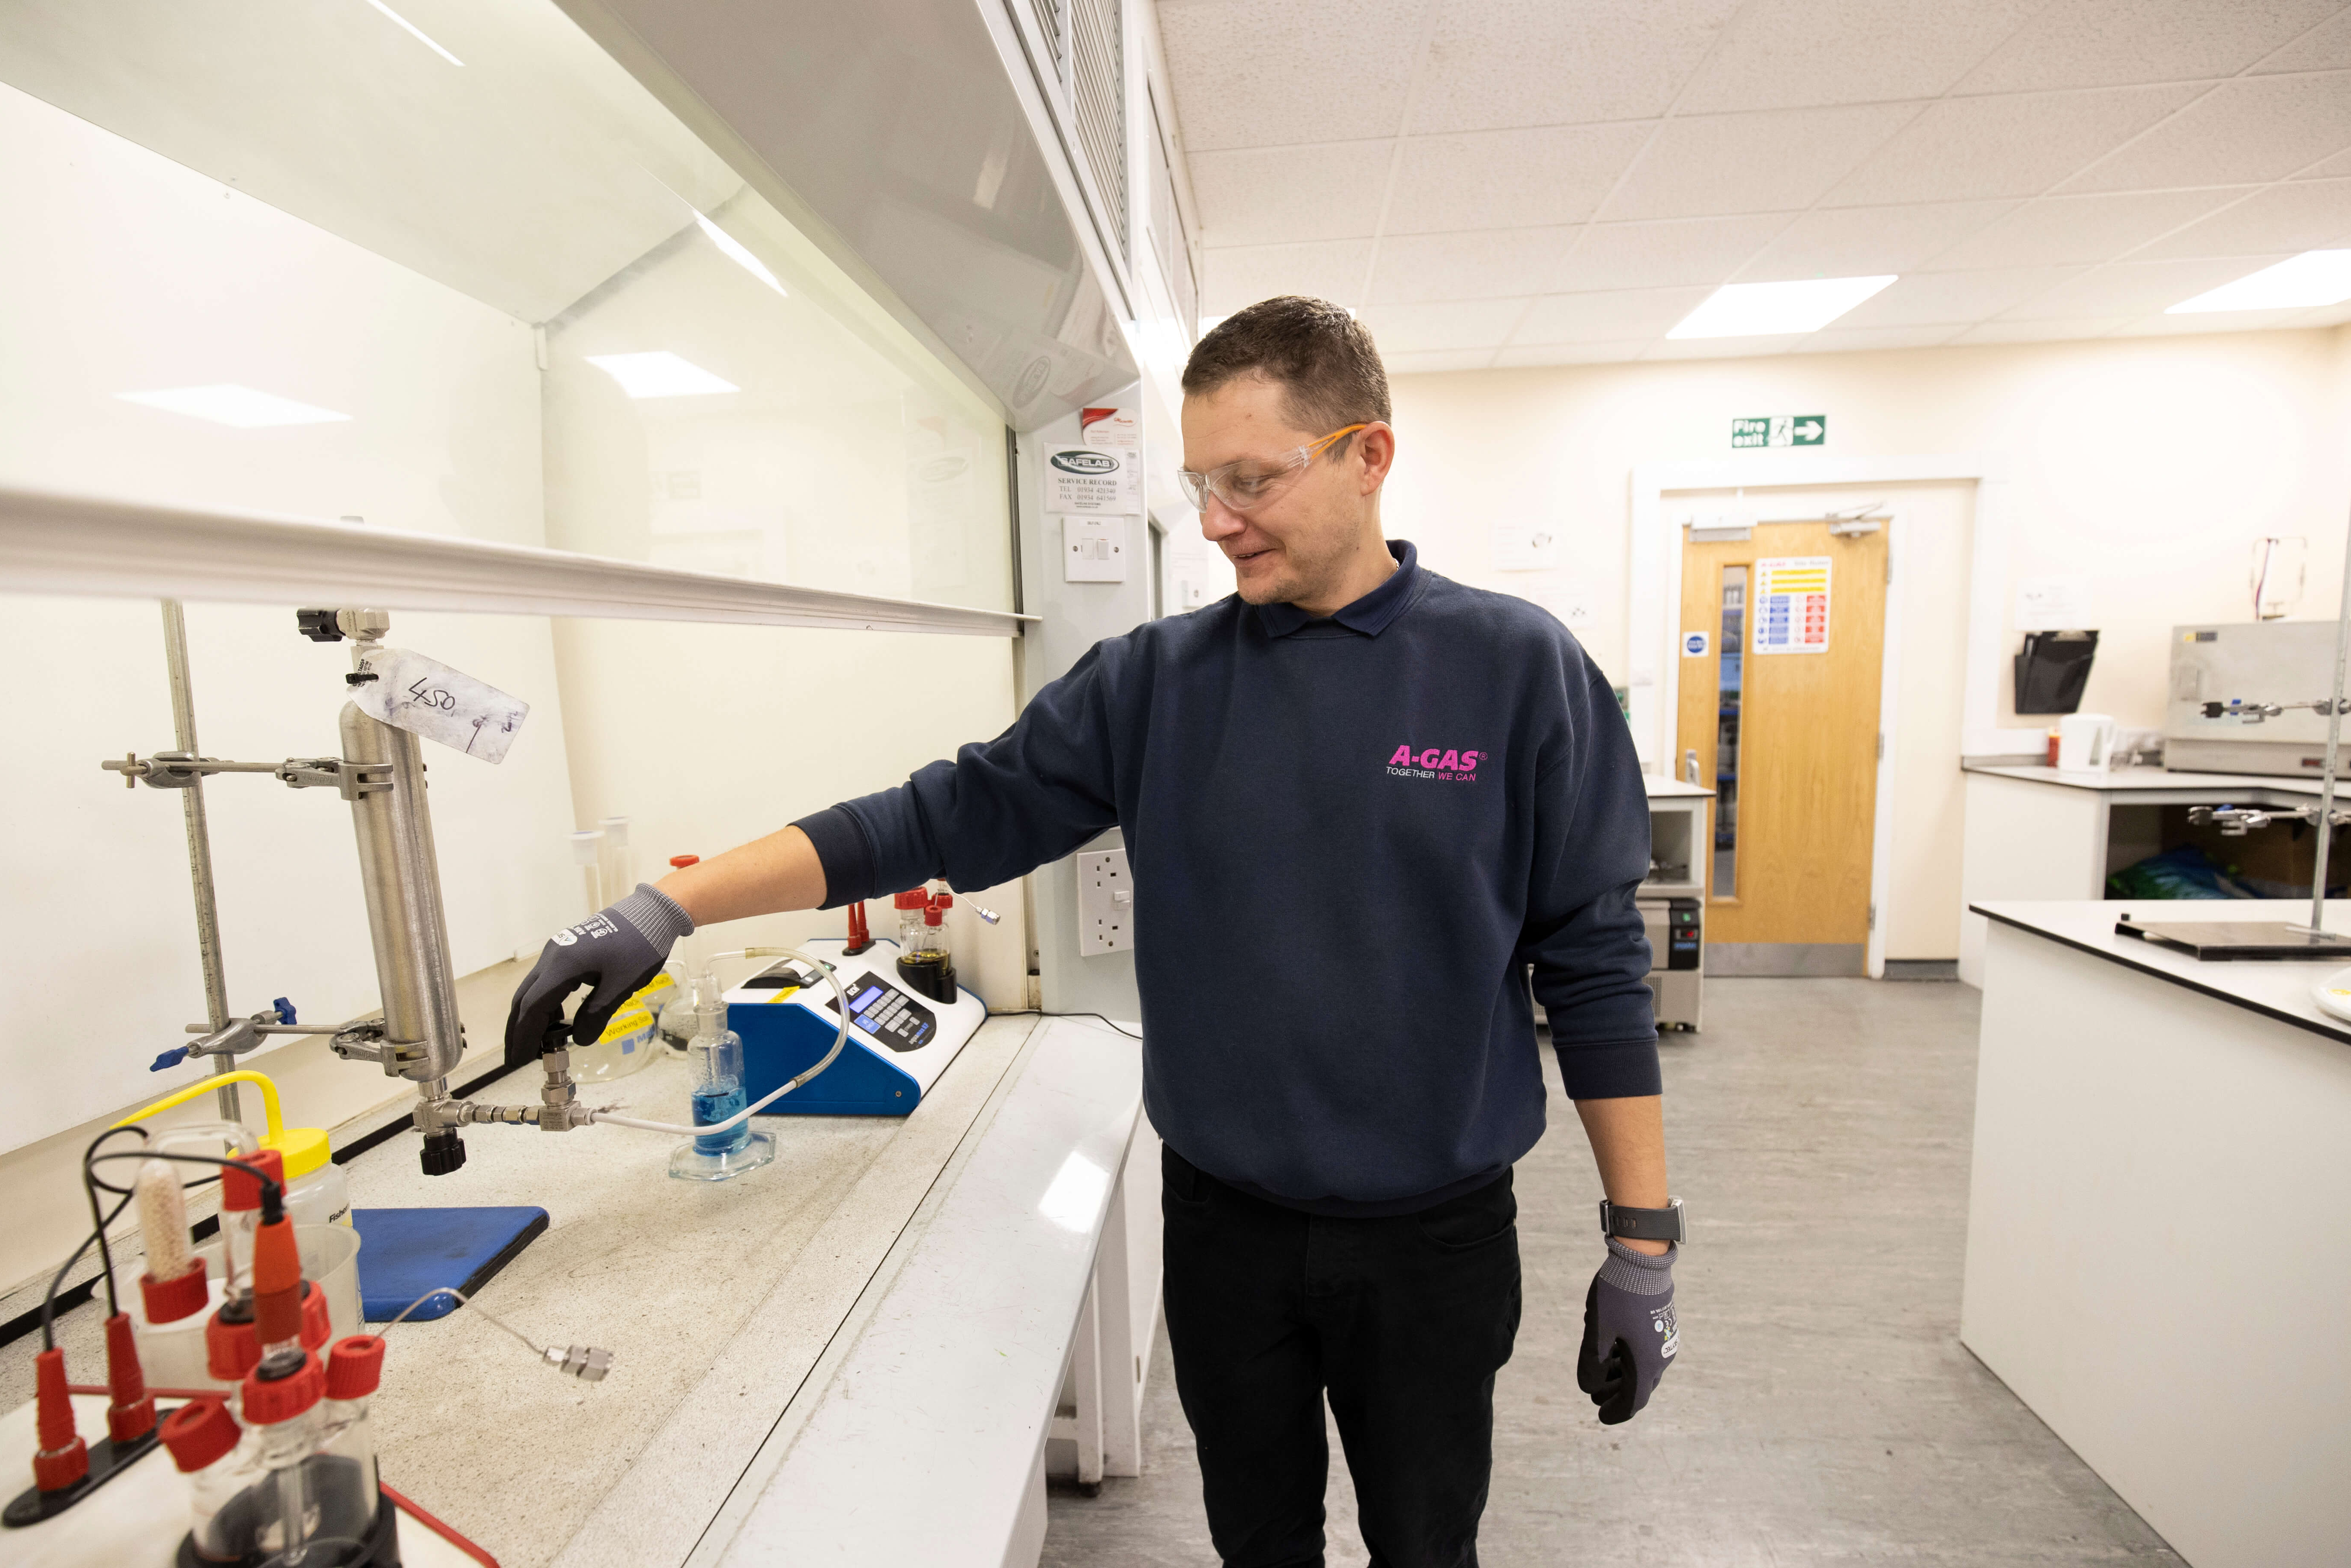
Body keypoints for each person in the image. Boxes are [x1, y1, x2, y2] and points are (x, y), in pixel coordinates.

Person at [505, 295, 1680, 1568]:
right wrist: (669, 904)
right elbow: (933, 817)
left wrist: (1644, 1242)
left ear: (1367, 455)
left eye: (1251, 479)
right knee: (1258, 1549)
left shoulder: (1514, 668)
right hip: (1227, 1232)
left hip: (1434, 1241)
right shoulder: (1157, 686)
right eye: (1200, 482)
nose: (1219, 519)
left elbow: (1596, 967)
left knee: (1425, 1545)